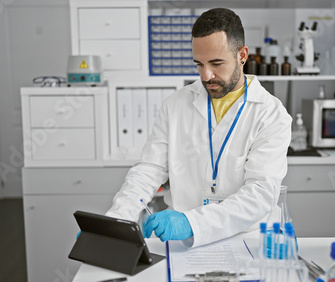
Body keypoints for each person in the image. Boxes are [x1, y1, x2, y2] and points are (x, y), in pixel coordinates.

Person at [105, 8, 292, 248]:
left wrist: (192, 222)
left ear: (242, 55)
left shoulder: (271, 114)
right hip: (181, 242)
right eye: (199, 64)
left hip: (248, 241)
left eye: (216, 63)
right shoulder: (175, 105)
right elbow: (149, 170)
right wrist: (117, 220)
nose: (207, 75)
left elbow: (260, 193)